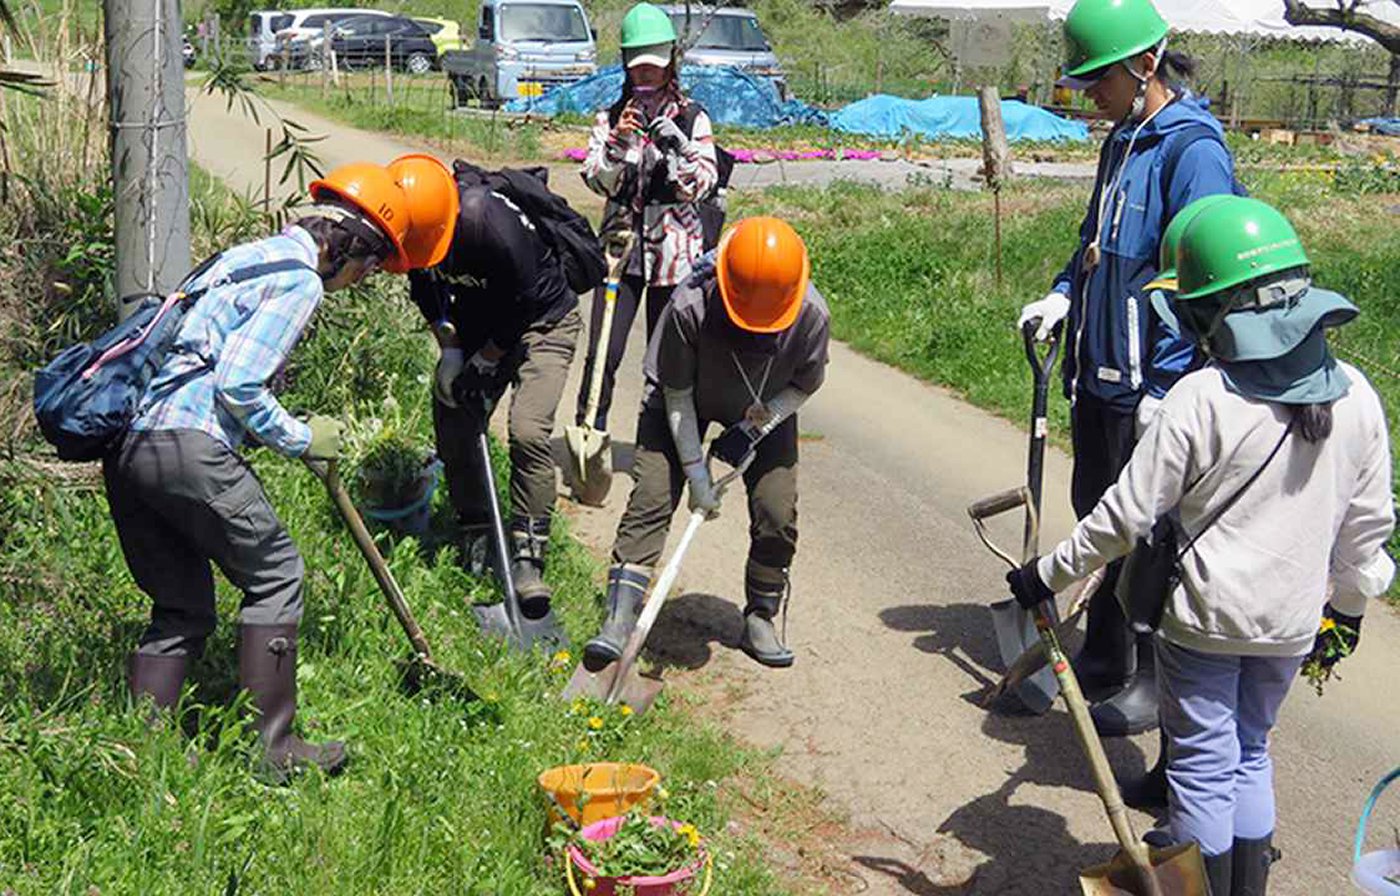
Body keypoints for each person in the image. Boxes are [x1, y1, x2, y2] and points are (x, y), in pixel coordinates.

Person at [1006, 196, 1395, 896]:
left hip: (1206, 624)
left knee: (1202, 768)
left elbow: (1122, 519)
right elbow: (1367, 530)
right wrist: (1349, 610)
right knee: (1250, 752)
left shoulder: (1202, 399)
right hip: (1290, 624)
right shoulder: (1359, 396)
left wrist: (1046, 575)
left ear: (1213, 313)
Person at [110, 162, 434, 781]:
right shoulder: (299, 280)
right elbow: (237, 382)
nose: (362, 280)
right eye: (370, 268)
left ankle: (140, 752)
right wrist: (303, 436)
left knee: (180, 603)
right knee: (278, 572)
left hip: (132, 448)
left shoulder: (247, 256)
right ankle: (276, 749)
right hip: (189, 442)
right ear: (354, 249)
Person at [1016, 0, 1240, 740]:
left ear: (1145, 64)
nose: (1087, 93)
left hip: (1155, 382)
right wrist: (1061, 292)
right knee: (1100, 512)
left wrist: (1169, 390)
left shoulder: (1192, 148)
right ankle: (1106, 655)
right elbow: (1095, 239)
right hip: (1099, 369)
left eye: (1097, 78)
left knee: (1154, 539)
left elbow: (1202, 274)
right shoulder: (1121, 141)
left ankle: (1150, 678)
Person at [582, 217, 829, 671]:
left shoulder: (810, 314)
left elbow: (805, 385)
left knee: (777, 509)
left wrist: (760, 424)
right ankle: (618, 617)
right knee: (652, 498)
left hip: (762, 409)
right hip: (681, 402)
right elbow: (675, 395)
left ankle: (760, 616)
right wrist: (697, 475)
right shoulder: (690, 304)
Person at [390, 153, 581, 639]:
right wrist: (452, 352)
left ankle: (527, 554)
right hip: (478, 325)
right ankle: (476, 530)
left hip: (543, 321)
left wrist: (488, 359)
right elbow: (427, 295)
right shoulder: (413, 233)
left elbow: (523, 303)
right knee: (453, 414)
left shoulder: (486, 221)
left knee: (528, 430)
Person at [576, 1, 718, 436]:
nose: (646, 74)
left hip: (674, 254)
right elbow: (597, 180)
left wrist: (679, 150)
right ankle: (590, 432)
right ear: (624, 63)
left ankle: (661, 444)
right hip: (620, 250)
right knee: (605, 348)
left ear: (670, 60)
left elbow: (705, 183)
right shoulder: (611, 116)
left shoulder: (693, 117)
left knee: (669, 357)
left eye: (654, 65)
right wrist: (619, 145)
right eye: (637, 66)